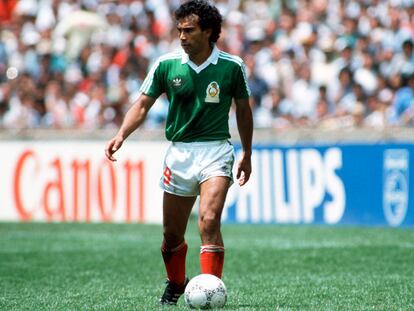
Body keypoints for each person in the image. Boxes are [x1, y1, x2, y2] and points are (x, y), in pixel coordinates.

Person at [104, 0, 253, 306]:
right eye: (179, 30)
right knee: (172, 235)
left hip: (215, 151)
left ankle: (212, 290)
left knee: (209, 222)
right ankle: (176, 283)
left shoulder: (231, 66)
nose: (182, 36)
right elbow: (143, 104)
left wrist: (247, 152)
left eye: (189, 30)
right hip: (179, 154)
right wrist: (121, 134)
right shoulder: (166, 65)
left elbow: (244, 110)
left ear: (208, 31)